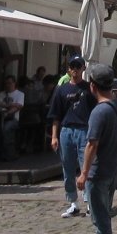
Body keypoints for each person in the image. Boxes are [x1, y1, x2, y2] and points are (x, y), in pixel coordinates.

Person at [75, 62, 117, 234]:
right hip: (113, 169)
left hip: (98, 172)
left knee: (100, 218)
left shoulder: (99, 111)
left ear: (93, 86)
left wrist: (84, 173)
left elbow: (91, 144)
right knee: (104, 214)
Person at [48, 56, 93, 217]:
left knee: (85, 168)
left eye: (78, 66)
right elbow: (56, 115)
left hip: (84, 130)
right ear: (68, 69)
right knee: (67, 168)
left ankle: (89, 203)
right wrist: (54, 136)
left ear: (83, 68)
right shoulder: (62, 90)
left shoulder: (89, 89)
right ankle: (73, 203)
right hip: (66, 130)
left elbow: (95, 112)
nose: (75, 69)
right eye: (73, 66)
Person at [0, 74, 25, 160]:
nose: (8, 85)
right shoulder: (1, 94)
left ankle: (9, 153)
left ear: (14, 83)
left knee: (6, 129)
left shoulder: (20, 94)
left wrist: (8, 112)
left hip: (13, 118)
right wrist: (12, 104)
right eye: (6, 83)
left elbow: (18, 106)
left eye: (9, 83)